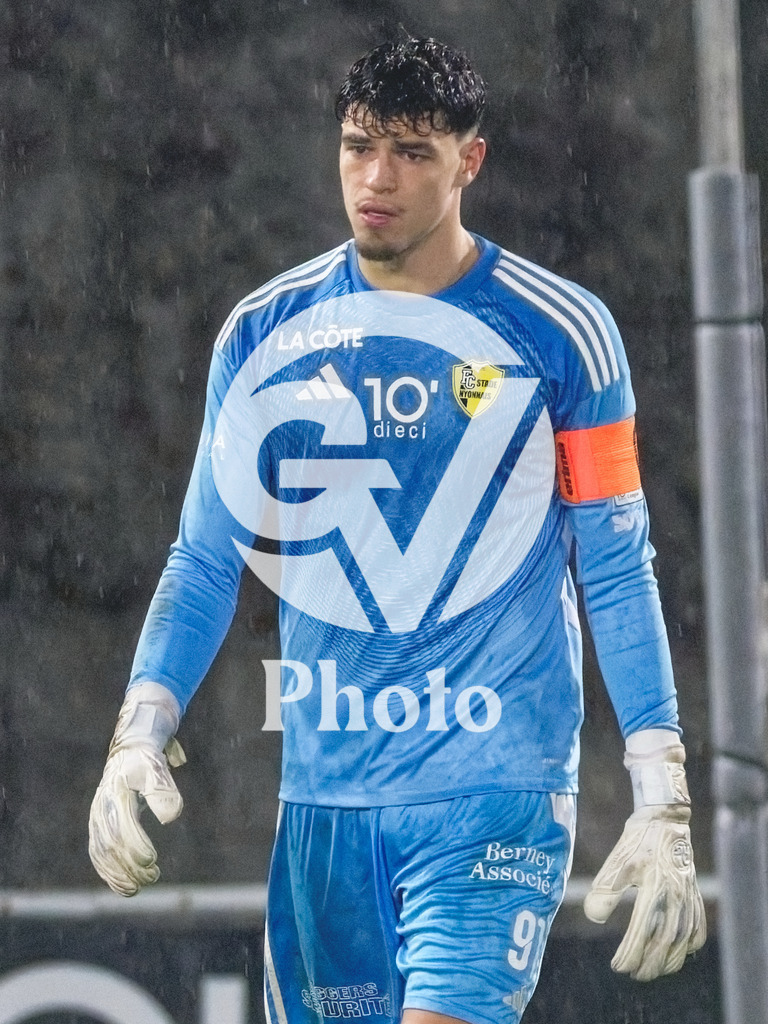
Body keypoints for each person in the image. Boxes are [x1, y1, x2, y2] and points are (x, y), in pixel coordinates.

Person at [89, 36, 706, 1024]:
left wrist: (660, 787)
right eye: (359, 146)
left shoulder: (564, 334)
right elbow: (204, 558)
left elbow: (617, 562)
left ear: (470, 162)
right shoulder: (263, 333)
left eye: (413, 152)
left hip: (492, 794)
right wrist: (138, 732)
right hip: (325, 806)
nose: (376, 179)